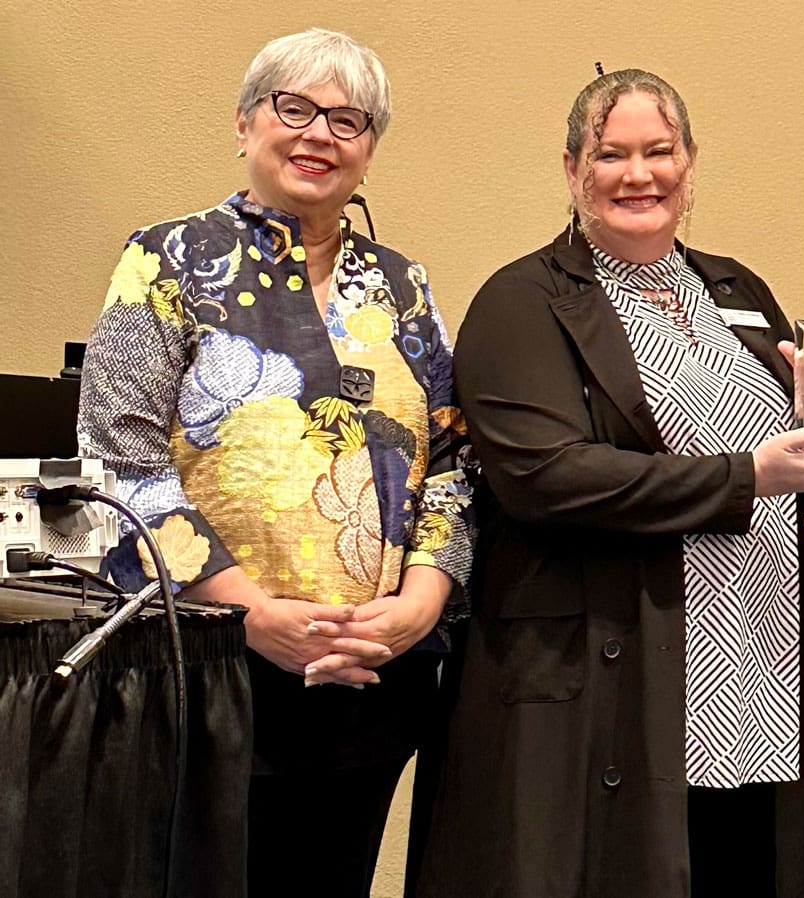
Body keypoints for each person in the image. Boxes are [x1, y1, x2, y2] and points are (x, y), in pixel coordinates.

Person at [416, 68, 804, 898]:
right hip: (617, 683)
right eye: (611, 154)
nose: (638, 174)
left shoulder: (736, 290)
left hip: (760, 675)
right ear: (573, 169)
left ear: (690, 163)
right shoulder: (522, 302)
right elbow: (548, 477)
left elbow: (782, 466)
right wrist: (748, 474)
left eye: (660, 150)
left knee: (743, 870)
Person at [77, 28, 473, 898]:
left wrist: (420, 602)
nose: (318, 134)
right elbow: (121, 465)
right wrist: (254, 615)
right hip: (212, 673)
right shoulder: (167, 260)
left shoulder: (403, 285)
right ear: (246, 123)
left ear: (369, 148)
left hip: (375, 678)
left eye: (347, 119)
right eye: (293, 108)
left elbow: (450, 465)